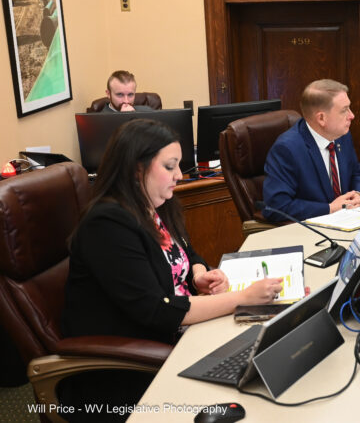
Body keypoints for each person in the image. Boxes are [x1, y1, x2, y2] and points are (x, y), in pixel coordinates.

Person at [61, 119, 283, 420]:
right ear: (136, 168)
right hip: (133, 364)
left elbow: (187, 252)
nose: (179, 175)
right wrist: (243, 297)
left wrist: (198, 273)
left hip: (182, 333)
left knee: (271, 350)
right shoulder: (108, 225)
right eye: (170, 166)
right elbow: (158, 310)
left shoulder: (154, 205)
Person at [263, 79, 360, 222]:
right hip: (311, 229)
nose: (352, 115)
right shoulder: (287, 149)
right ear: (322, 118)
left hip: (349, 219)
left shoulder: (342, 135)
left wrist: (357, 194)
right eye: (344, 110)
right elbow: (276, 207)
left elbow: (356, 174)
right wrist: (329, 208)